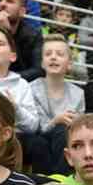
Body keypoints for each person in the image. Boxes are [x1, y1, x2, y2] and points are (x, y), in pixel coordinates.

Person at [28, 34, 83, 175]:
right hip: (40, 137)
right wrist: (56, 120)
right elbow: (36, 127)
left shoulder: (78, 93)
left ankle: (60, 181)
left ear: (69, 64)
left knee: (63, 131)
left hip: (66, 140)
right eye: (48, 54)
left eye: (59, 54)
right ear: (42, 63)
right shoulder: (32, 88)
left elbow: (78, 128)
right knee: (39, 142)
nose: (53, 57)